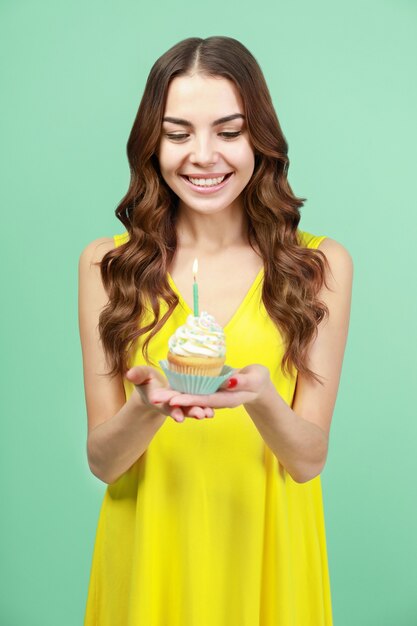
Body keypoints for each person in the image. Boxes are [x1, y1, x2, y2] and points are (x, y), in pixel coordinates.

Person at [78, 35, 353, 626]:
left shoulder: (318, 267)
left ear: (261, 139)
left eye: (229, 132)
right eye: (178, 133)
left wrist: (259, 399)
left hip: (267, 553)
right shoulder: (108, 265)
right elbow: (104, 462)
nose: (204, 155)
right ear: (153, 144)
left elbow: (307, 461)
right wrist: (147, 407)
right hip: (150, 552)